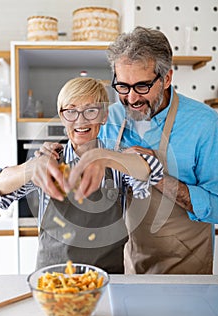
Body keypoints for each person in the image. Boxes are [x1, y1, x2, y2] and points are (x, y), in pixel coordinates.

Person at [63, 26, 218, 274]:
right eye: (122, 86)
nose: (132, 98)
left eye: (142, 86)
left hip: (187, 270)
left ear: (166, 78)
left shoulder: (204, 124)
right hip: (127, 266)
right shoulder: (108, 118)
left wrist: (155, 176)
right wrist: (56, 155)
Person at [0, 77, 163, 273]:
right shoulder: (49, 162)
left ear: (104, 116)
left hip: (106, 281)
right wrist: (31, 168)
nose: (81, 120)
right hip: (53, 282)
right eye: (71, 111)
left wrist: (103, 157)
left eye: (91, 110)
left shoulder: (117, 161)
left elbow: (150, 170)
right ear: (62, 118)